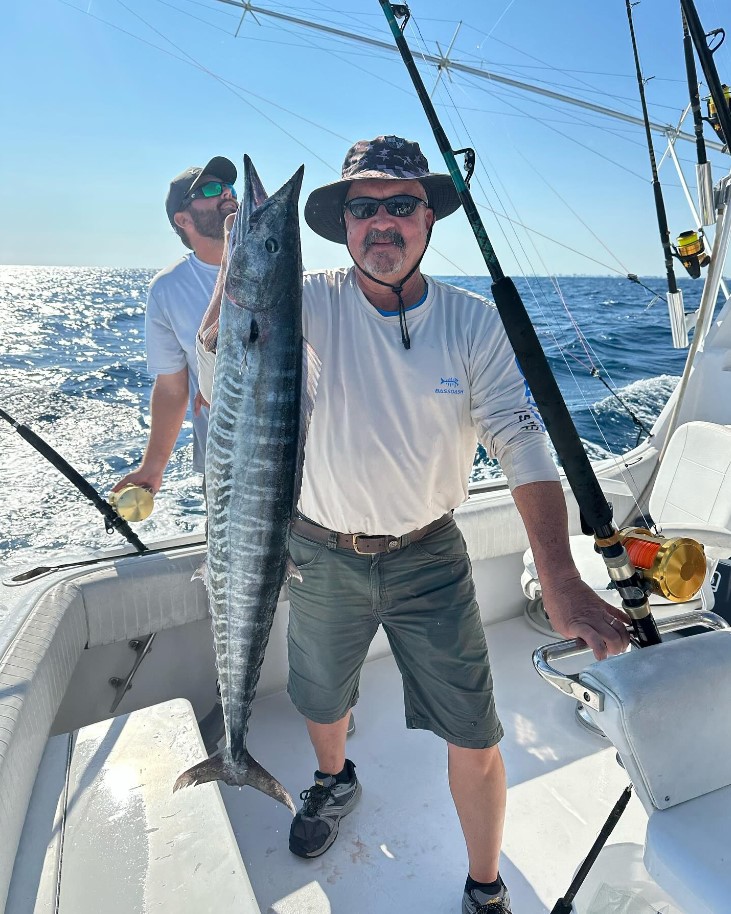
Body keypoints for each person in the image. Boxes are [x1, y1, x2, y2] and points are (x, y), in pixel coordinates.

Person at [198, 135, 630, 914]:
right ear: (342, 223)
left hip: (430, 554)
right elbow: (220, 344)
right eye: (364, 207)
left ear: (428, 217)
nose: (382, 223)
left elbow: (521, 442)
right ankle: (332, 781)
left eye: (401, 205)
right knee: (320, 698)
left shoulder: (469, 322)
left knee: (476, 727)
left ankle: (484, 883)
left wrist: (560, 577)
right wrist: (237, 257)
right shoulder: (307, 295)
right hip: (319, 548)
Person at [112, 156, 238, 498]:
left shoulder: (281, 267)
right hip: (224, 464)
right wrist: (153, 466)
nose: (226, 192)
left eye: (228, 186)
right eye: (211, 189)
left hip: (300, 454)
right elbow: (171, 386)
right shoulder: (167, 288)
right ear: (182, 219)